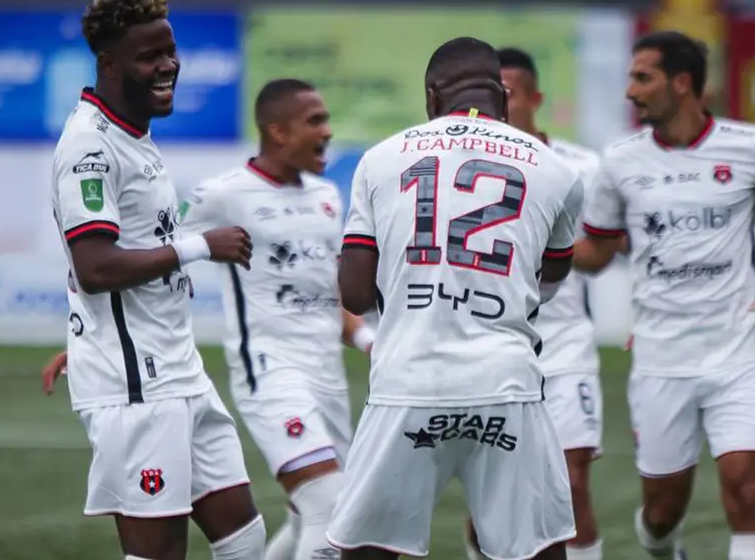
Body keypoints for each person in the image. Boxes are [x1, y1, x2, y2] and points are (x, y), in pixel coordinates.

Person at [573, 31, 755, 560]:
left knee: (747, 485)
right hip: (661, 357)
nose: (630, 91)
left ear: (682, 83)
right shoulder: (619, 162)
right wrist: (528, 251)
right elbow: (596, 253)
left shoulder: (753, 147)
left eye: (642, 77)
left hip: (741, 345)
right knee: (662, 512)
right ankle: (665, 550)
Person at [326, 36, 585, 560]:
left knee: (366, 551)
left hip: (408, 381)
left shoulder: (381, 160)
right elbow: (549, 281)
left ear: (431, 95)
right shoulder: (558, 171)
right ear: (504, 96)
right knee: (538, 552)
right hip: (506, 383)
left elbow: (353, 293)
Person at [45, 0, 267, 560]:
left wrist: (84, 336)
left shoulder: (133, 136)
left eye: (170, 51)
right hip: (137, 389)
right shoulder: (89, 148)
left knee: (244, 539)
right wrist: (201, 246)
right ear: (110, 63)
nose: (168, 65)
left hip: (176, 370)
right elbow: (94, 266)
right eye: (150, 56)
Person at [178, 78, 374, 560]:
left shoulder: (327, 196)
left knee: (321, 512)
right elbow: (155, 254)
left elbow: (333, 291)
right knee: (328, 511)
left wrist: (369, 339)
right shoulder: (221, 195)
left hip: (327, 378)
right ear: (278, 131)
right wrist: (95, 336)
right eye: (316, 121)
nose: (328, 131)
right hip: (270, 372)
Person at [460, 47, 606, 560]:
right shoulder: (467, 166)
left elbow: (601, 252)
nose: (501, 105)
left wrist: (544, 246)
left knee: (572, 481)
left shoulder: (581, 165)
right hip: (492, 345)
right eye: (492, 95)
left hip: (565, 346)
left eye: (511, 94)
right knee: (492, 494)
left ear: (536, 98)